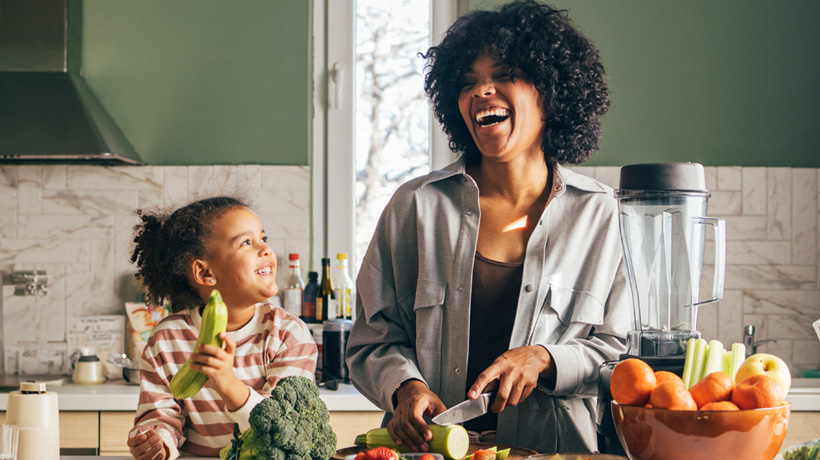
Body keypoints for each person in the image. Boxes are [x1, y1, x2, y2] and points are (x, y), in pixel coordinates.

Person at [346, 0, 629, 454]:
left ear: (550, 92)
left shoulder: (604, 217)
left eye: (503, 75)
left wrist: (545, 359)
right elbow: (371, 340)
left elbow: (623, 356)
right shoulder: (416, 207)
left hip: (555, 450)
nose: (482, 91)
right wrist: (405, 388)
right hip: (429, 451)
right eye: (468, 82)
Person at [126, 196, 318, 460]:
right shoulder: (166, 340)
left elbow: (287, 429)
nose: (265, 250)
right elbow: (160, 415)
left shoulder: (288, 335)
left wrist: (226, 383)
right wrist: (157, 441)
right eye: (246, 243)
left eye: (263, 238)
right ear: (205, 274)